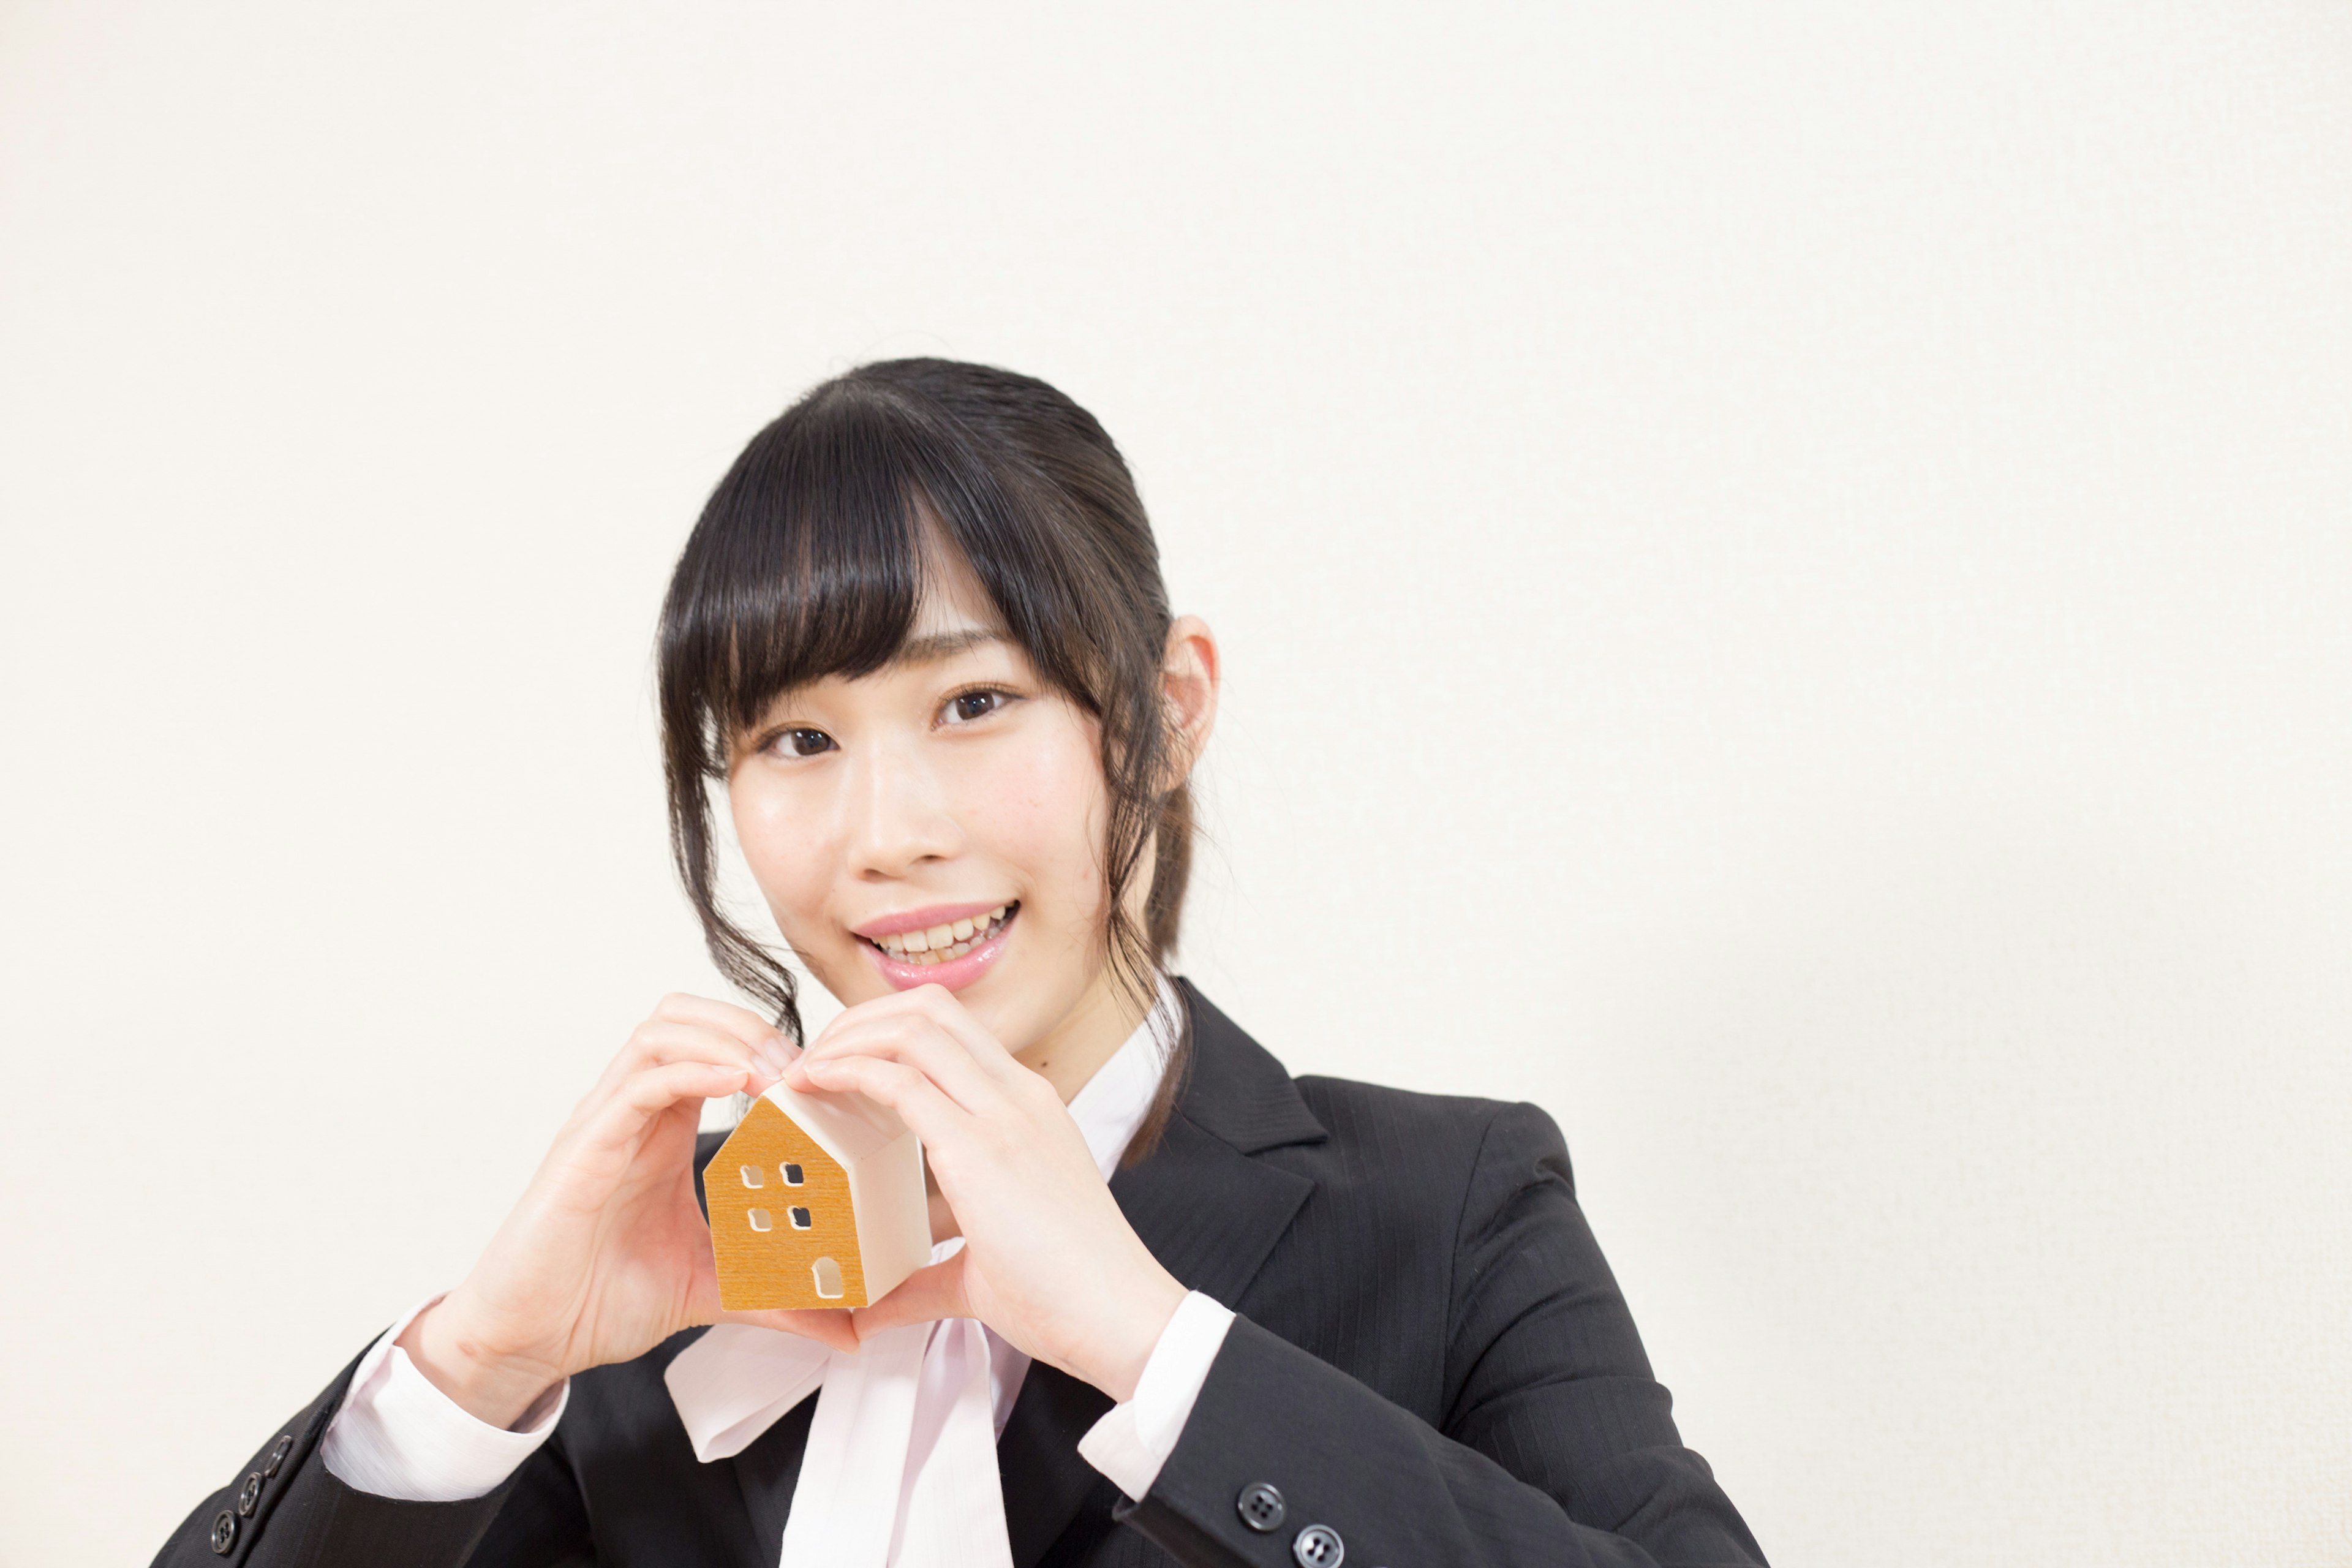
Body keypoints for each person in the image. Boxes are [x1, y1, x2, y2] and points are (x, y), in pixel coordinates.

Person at [154, 360, 1768, 1568]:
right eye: (795, 738)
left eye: (973, 704)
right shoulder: (657, 1272)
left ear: (1168, 705)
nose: (890, 832)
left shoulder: (1448, 1203)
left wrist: (1158, 1349)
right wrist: (477, 1358)